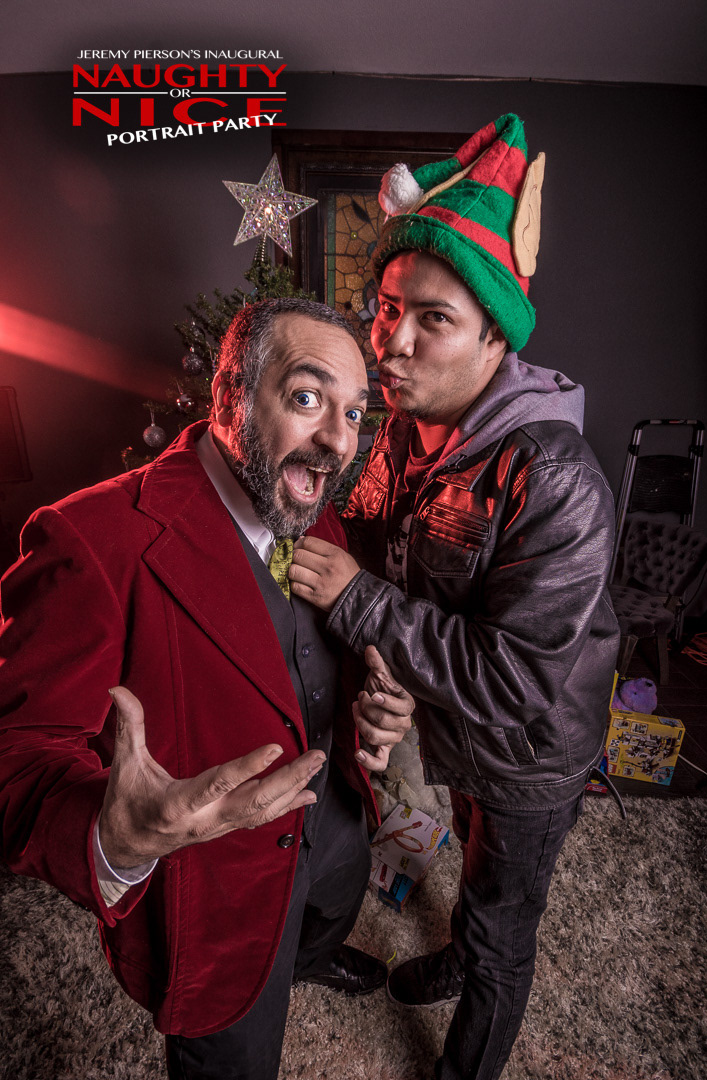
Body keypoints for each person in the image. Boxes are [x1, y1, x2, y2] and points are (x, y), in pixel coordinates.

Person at [0, 297, 414, 1080]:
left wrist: (375, 701)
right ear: (230, 398)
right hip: (220, 890)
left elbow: (315, 656)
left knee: (326, 911)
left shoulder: (315, 510)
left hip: (336, 822)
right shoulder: (90, 539)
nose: (338, 440)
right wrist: (116, 839)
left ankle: (307, 957)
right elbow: (13, 759)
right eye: (307, 396)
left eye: (356, 413)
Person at [288, 114, 620, 1080]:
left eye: (433, 318)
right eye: (389, 306)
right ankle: (460, 953)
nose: (392, 341)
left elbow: (514, 678)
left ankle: (473, 1005)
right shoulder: (405, 431)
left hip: (529, 751)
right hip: (457, 732)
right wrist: (387, 675)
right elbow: (391, 559)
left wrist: (360, 605)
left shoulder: (555, 478)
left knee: (504, 921)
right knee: (470, 851)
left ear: (494, 338)